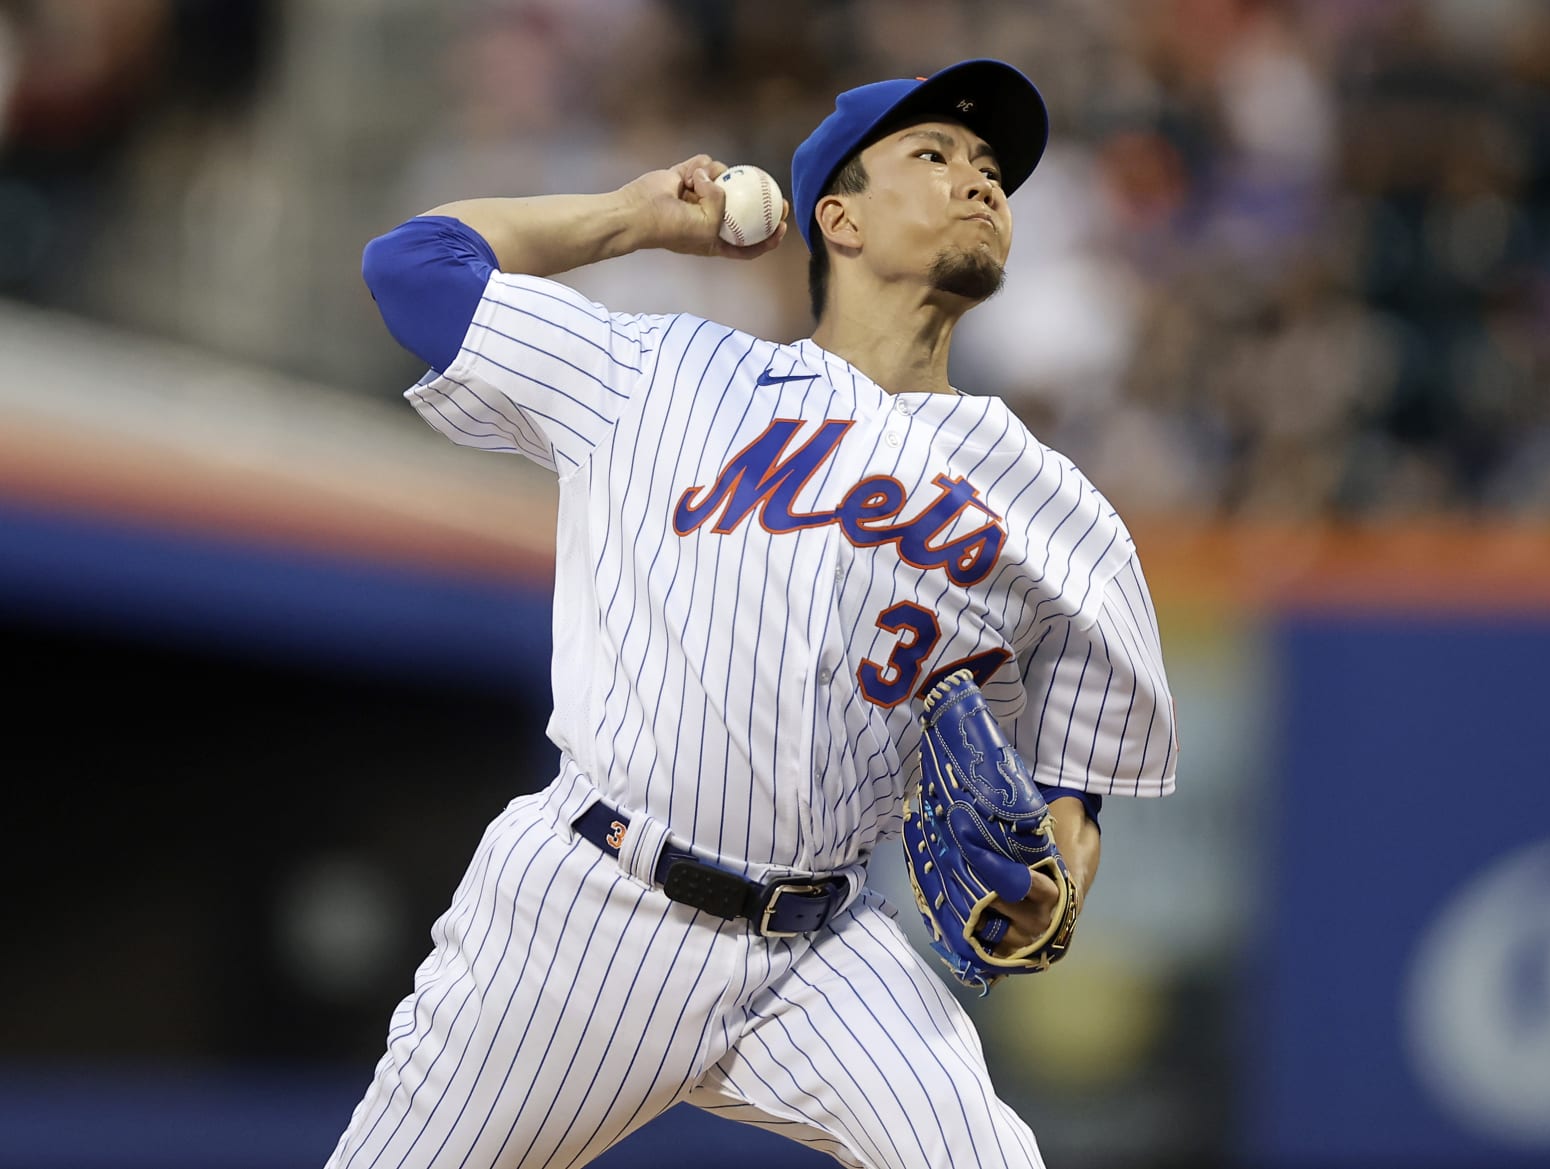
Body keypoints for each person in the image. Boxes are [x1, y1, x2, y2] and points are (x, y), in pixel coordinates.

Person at [337, 58, 1178, 1169]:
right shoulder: (662, 371)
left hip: (823, 951)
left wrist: (1050, 890)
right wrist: (637, 216)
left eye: (991, 168)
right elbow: (413, 268)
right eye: (934, 155)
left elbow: (1074, 788)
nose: (980, 180)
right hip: (591, 912)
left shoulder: (1058, 511)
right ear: (840, 217)